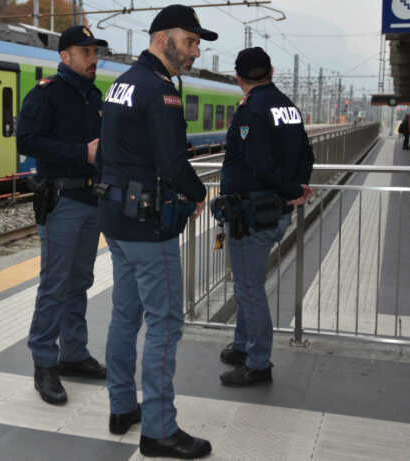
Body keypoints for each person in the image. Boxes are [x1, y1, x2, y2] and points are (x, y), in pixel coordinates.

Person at [98, 5, 216, 459]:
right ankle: (159, 430)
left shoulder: (122, 83)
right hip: (148, 226)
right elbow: (172, 162)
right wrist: (198, 193)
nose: (194, 51)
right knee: (165, 321)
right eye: (190, 41)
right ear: (164, 37)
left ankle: (121, 406)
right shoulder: (160, 91)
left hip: (117, 219)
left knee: (126, 316)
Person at [16, 25, 108, 406]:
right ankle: (44, 362)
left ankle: (73, 353)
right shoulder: (46, 94)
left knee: (80, 281)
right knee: (55, 283)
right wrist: (80, 154)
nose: (93, 59)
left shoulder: (95, 96)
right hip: (62, 200)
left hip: (91, 200)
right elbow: (27, 141)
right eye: (86, 52)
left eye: (95, 52)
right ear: (65, 56)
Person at [216, 47, 314, 387]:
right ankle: (242, 345)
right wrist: (298, 187)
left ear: (239, 77)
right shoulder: (288, 107)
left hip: (252, 212)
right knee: (250, 284)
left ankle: (258, 362)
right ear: (271, 70)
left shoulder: (252, 110)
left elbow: (258, 163)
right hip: (278, 211)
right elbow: (307, 151)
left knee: (248, 288)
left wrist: (289, 189)